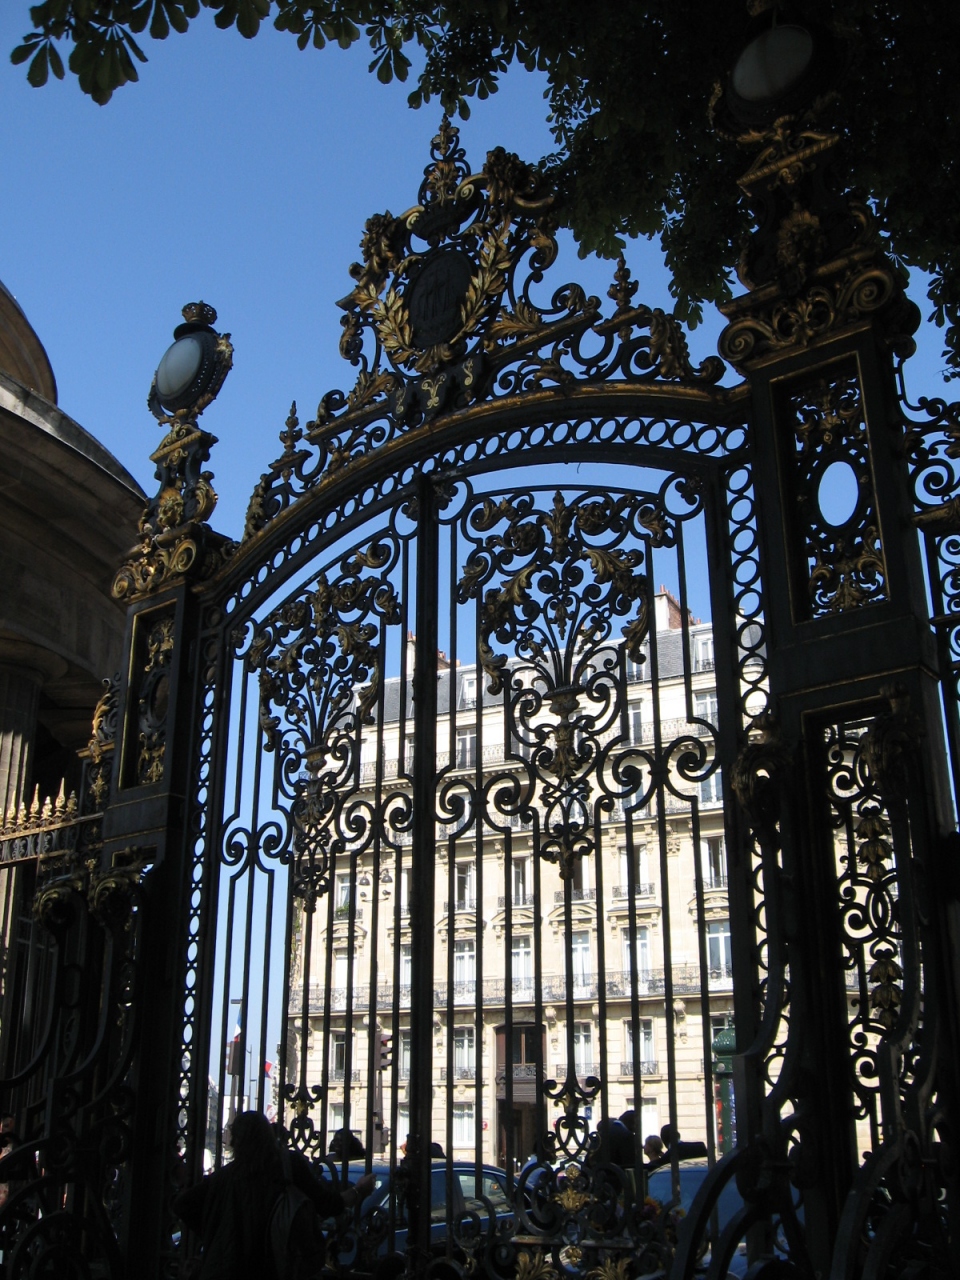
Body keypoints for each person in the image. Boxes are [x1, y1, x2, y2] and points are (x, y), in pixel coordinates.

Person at [175, 1110, 374, 1279]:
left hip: (226, 1267)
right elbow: (328, 1204)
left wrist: (212, 1232)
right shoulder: (288, 1166)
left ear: (236, 1141)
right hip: (275, 1266)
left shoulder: (225, 1178)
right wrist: (359, 1190)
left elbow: (183, 1204)